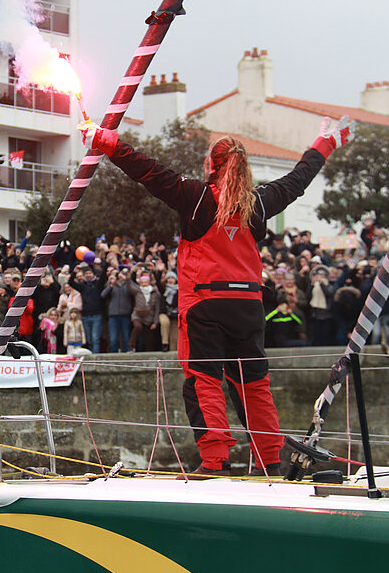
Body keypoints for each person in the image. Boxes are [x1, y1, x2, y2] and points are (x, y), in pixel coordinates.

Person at [79, 114, 354, 478]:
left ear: (211, 164)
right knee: (253, 382)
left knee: (203, 380)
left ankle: (214, 462)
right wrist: (325, 143)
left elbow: (146, 170)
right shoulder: (258, 203)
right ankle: (270, 459)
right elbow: (298, 179)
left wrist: (107, 142)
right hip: (249, 305)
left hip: (205, 303)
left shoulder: (195, 197)